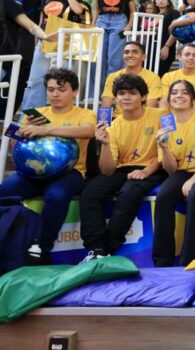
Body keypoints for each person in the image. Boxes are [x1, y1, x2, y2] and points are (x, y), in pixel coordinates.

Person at [0, 69, 95, 264]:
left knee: (57, 195)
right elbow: (14, 141)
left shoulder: (86, 114)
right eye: (51, 90)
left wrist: (46, 129)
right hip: (32, 172)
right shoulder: (37, 113)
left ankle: (41, 248)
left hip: (69, 173)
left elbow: (89, 131)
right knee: (5, 190)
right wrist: (19, 133)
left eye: (61, 90)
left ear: (75, 92)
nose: (55, 94)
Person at [80, 74, 167, 262]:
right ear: (115, 98)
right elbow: (108, 170)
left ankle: (109, 248)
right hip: (123, 169)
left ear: (143, 97)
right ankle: (96, 249)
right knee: (90, 193)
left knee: (129, 193)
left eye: (132, 93)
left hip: (154, 167)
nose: (126, 97)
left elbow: (171, 150)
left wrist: (146, 171)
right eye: (121, 93)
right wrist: (104, 144)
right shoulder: (112, 126)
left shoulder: (162, 115)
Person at [152, 80, 195, 267]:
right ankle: (162, 262)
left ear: (193, 100)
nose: (179, 96)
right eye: (174, 93)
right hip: (182, 172)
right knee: (163, 197)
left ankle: (189, 261)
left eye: (184, 92)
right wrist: (164, 148)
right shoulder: (166, 125)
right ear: (168, 100)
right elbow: (171, 170)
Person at [22, 0, 89, 111]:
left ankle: (60, 113)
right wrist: (36, 45)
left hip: (64, 45)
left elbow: (79, 11)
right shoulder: (46, 0)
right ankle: (31, 116)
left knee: (62, 80)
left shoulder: (74, 0)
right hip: (44, 43)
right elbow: (41, 23)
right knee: (35, 80)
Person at [92, 0, 136, 90]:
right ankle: (97, 93)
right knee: (98, 58)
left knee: (114, 59)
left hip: (119, 20)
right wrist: (92, 25)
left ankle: (112, 91)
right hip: (102, 20)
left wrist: (129, 26)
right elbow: (96, 8)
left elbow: (133, 10)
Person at [102, 41, 162, 113]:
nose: (130, 55)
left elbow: (150, 108)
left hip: (141, 118)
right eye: (126, 52)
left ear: (143, 57)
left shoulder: (153, 78)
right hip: (117, 117)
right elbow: (105, 106)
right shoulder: (113, 77)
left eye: (135, 52)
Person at [160, 44, 195, 111]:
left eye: (194, 55)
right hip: (171, 115)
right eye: (187, 54)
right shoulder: (168, 77)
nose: (191, 58)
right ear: (179, 57)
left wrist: (187, 117)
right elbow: (164, 102)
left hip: (194, 115)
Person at [153, 0, 181, 76]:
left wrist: (167, 46)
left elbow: (177, 30)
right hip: (153, 48)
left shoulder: (174, 13)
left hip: (165, 48)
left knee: (160, 74)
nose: (160, 0)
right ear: (155, 2)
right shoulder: (155, 14)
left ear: (168, 1)